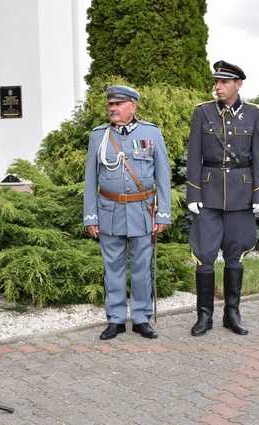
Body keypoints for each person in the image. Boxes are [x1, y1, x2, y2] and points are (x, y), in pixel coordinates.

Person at [186, 60, 259, 337]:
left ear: (238, 84)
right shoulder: (202, 113)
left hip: (242, 195)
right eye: (216, 82)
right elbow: (194, 154)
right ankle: (204, 316)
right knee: (204, 256)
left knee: (236, 256)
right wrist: (193, 192)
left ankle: (232, 314)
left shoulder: (255, 114)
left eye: (223, 82)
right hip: (207, 195)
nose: (217, 87)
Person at [83, 85, 171, 340]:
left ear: (133, 106)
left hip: (142, 211)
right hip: (109, 211)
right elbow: (90, 179)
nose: (113, 108)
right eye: (110, 104)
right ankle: (116, 319)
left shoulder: (151, 133)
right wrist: (91, 216)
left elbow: (162, 176)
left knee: (142, 268)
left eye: (119, 104)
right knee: (113, 268)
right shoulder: (98, 136)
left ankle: (142, 318)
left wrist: (163, 213)